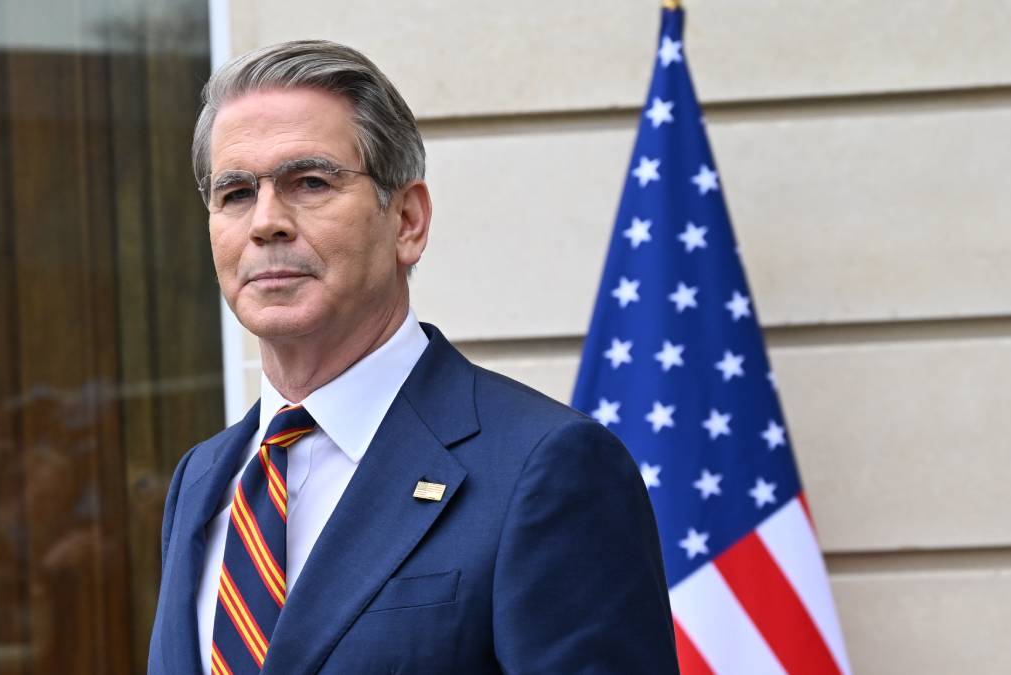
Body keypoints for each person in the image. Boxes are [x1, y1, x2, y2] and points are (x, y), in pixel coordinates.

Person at [147, 39, 678, 675]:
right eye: (235, 193)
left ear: (407, 221)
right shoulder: (203, 479)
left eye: (310, 182)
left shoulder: (546, 467)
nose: (266, 223)